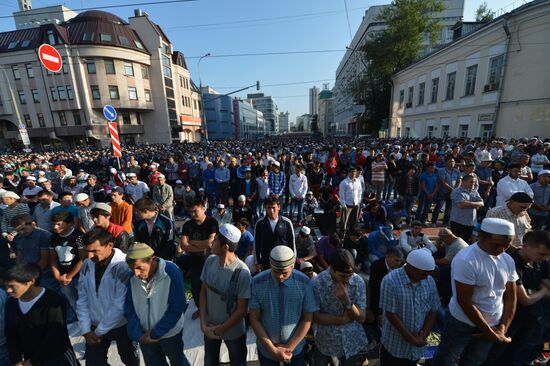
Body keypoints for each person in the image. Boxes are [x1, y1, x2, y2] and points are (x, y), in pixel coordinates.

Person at [432, 218, 518, 366]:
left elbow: (511, 297)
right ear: (482, 237)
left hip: (494, 324)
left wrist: (502, 328)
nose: (501, 250)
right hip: (462, 322)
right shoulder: (467, 260)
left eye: (507, 245)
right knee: (446, 359)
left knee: (474, 361)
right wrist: (489, 332)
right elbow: (464, 302)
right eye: (497, 245)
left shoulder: (507, 260)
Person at [484, 230, 550, 366]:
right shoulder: (512, 263)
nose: (545, 258)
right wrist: (542, 291)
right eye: (542, 254)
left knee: (514, 354)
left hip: (530, 320)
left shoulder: (539, 262)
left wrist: (536, 292)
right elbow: (525, 299)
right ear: (525, 246)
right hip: (509, 320)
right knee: (495, 354)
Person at [77, 228, 139, 366]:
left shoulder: (123, 266)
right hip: (94, 325)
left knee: (129, 359)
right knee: (94, 362)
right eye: (87, 251)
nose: (90, 256)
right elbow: (82, 297)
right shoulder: (87, 265)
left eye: (95, 251)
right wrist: (86, 329)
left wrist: (98, 331)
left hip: (122, 324)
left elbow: (120, 304)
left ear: (110, 245)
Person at [124, 243, 189, 366]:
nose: (136, 274)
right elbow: (129, 307)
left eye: (140, 268)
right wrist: (138, 333)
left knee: (178, 362)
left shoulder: (171, 271)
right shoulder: (131, 277)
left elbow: (177, 306)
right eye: (132, 269)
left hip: (170, 333)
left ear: (152, 260)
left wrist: (156, 332)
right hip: (144, 335)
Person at [249, 245, 316, 365]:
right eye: (276, 272)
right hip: (267, 350)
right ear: (270, 265)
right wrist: (272, 349)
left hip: (295, 350)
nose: (280, 277)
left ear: (292, 266)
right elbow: (254, 318)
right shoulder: (257, 283)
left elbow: (307, 318)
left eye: (284, 273)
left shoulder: (304, 283)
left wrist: (289, 347)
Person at [5, 263, 80, 366]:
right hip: (29, 360)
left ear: (30, 282)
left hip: (58, 358)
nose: (8, 290)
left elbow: (55, 336)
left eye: (12, 286)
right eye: (7, 286)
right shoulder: (11, 303)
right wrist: (16, 360)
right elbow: (11, 334)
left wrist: (33, 361)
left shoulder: (53, 301)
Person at [200, 224, 252, 366]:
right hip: (210, 327)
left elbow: (241, 310)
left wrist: (219, 329)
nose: (212, 242)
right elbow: (203, 292)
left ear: (226, 247)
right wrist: (204, 324)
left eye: (216, 240)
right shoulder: (210, 261)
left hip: (233, 331)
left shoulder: (243, 272)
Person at [379, 248, 439, 366]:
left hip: (417, 347)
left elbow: (433, 310)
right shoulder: (390, 281)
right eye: (423, 274)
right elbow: (391, 314)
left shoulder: (429, 281)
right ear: (410, 268)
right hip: (395, 345)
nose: (426, 277)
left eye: (428, 274)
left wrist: (423, 335)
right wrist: (411, 339)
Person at [312, 249, 368, 365]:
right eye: (342, 276)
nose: (347, 280)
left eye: (350, 275)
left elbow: (362, 317)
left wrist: (347, 302)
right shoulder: (317, 283)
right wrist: (342, 320)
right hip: (326, 341)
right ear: (332, 269)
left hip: (351, 342)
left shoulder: (358, 282)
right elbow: (315, 317)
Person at [179, 199, 218, 320]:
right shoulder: (187, 225)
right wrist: (201, 246)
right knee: (196, 288)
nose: (193, 214)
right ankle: (201, 309)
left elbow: (210, 243)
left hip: (211, 261)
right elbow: (183, 245)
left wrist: (192, 243)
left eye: (195, 211)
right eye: (191, 212)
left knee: (212, 288)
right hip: (195, 262)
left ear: (203, 209)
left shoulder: (212, 222)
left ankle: (212, 310)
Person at [50, 211, 84, 323]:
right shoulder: (53, 238)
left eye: (59, 224)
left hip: (79, 276)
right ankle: (79, 321)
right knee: (72, 301)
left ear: (69, 224)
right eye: (53, 224)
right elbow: (53, 258)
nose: (55, 227)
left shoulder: (79, 236)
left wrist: (69, 276)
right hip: (62, 277)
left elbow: (83, 259)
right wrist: (57, 276)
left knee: (84, 301)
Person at [253, 196, 296, 271]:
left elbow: (292, 243)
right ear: (265, 208)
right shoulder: (260, 223)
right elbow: (256, 244)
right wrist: (257, 262)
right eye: (269, 208)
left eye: (273, 207)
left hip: (283, 260)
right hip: (266, 261)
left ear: (279, 207)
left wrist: (293, 260)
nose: (271, 211)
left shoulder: (287, 222)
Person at [369, 247, 403, 326]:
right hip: (381, 299)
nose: (399, 263)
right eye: (397, 260)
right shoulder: (376, 267)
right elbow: (376, 291)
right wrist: (379, 312)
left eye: (400, 260)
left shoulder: (402, 265)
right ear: (388, 257)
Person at [450, 174, 484, 242]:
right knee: (457, 243)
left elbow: (482, 203)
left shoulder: (474, 192)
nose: (473, 184)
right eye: (471, 182)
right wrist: (476, 204)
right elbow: (462, 205)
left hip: (471, 223)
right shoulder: (457, 192)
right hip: (458, 222)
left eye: (474, 182)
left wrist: (468, 203)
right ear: (463, 182)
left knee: (466, 243)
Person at [433, 156, 462, 226]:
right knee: (438, 207)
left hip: (452, 193)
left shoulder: (457, 171)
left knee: (449, 209)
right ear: (445, 162)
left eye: (453, 161)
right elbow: (443, 182)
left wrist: (455, 189)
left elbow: (459, 181)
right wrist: (453, 190)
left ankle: (446, 222)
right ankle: (433, 222)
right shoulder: (441, 170)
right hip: (443, 192)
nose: (452, 163)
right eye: (450, 161)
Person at [338, 167, 362, 236]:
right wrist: (343, 205)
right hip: (347, 205)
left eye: (354, 172)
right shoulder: (344, 182)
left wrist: (359, 201)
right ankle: (342, 235)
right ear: (348, 173)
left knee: (354, 221)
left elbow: (359, 192)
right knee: (344, 221)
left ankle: (352, 233)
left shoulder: (358, 181)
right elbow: (341, 194)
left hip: (355, 204)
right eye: (351, 172)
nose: (353, 173)